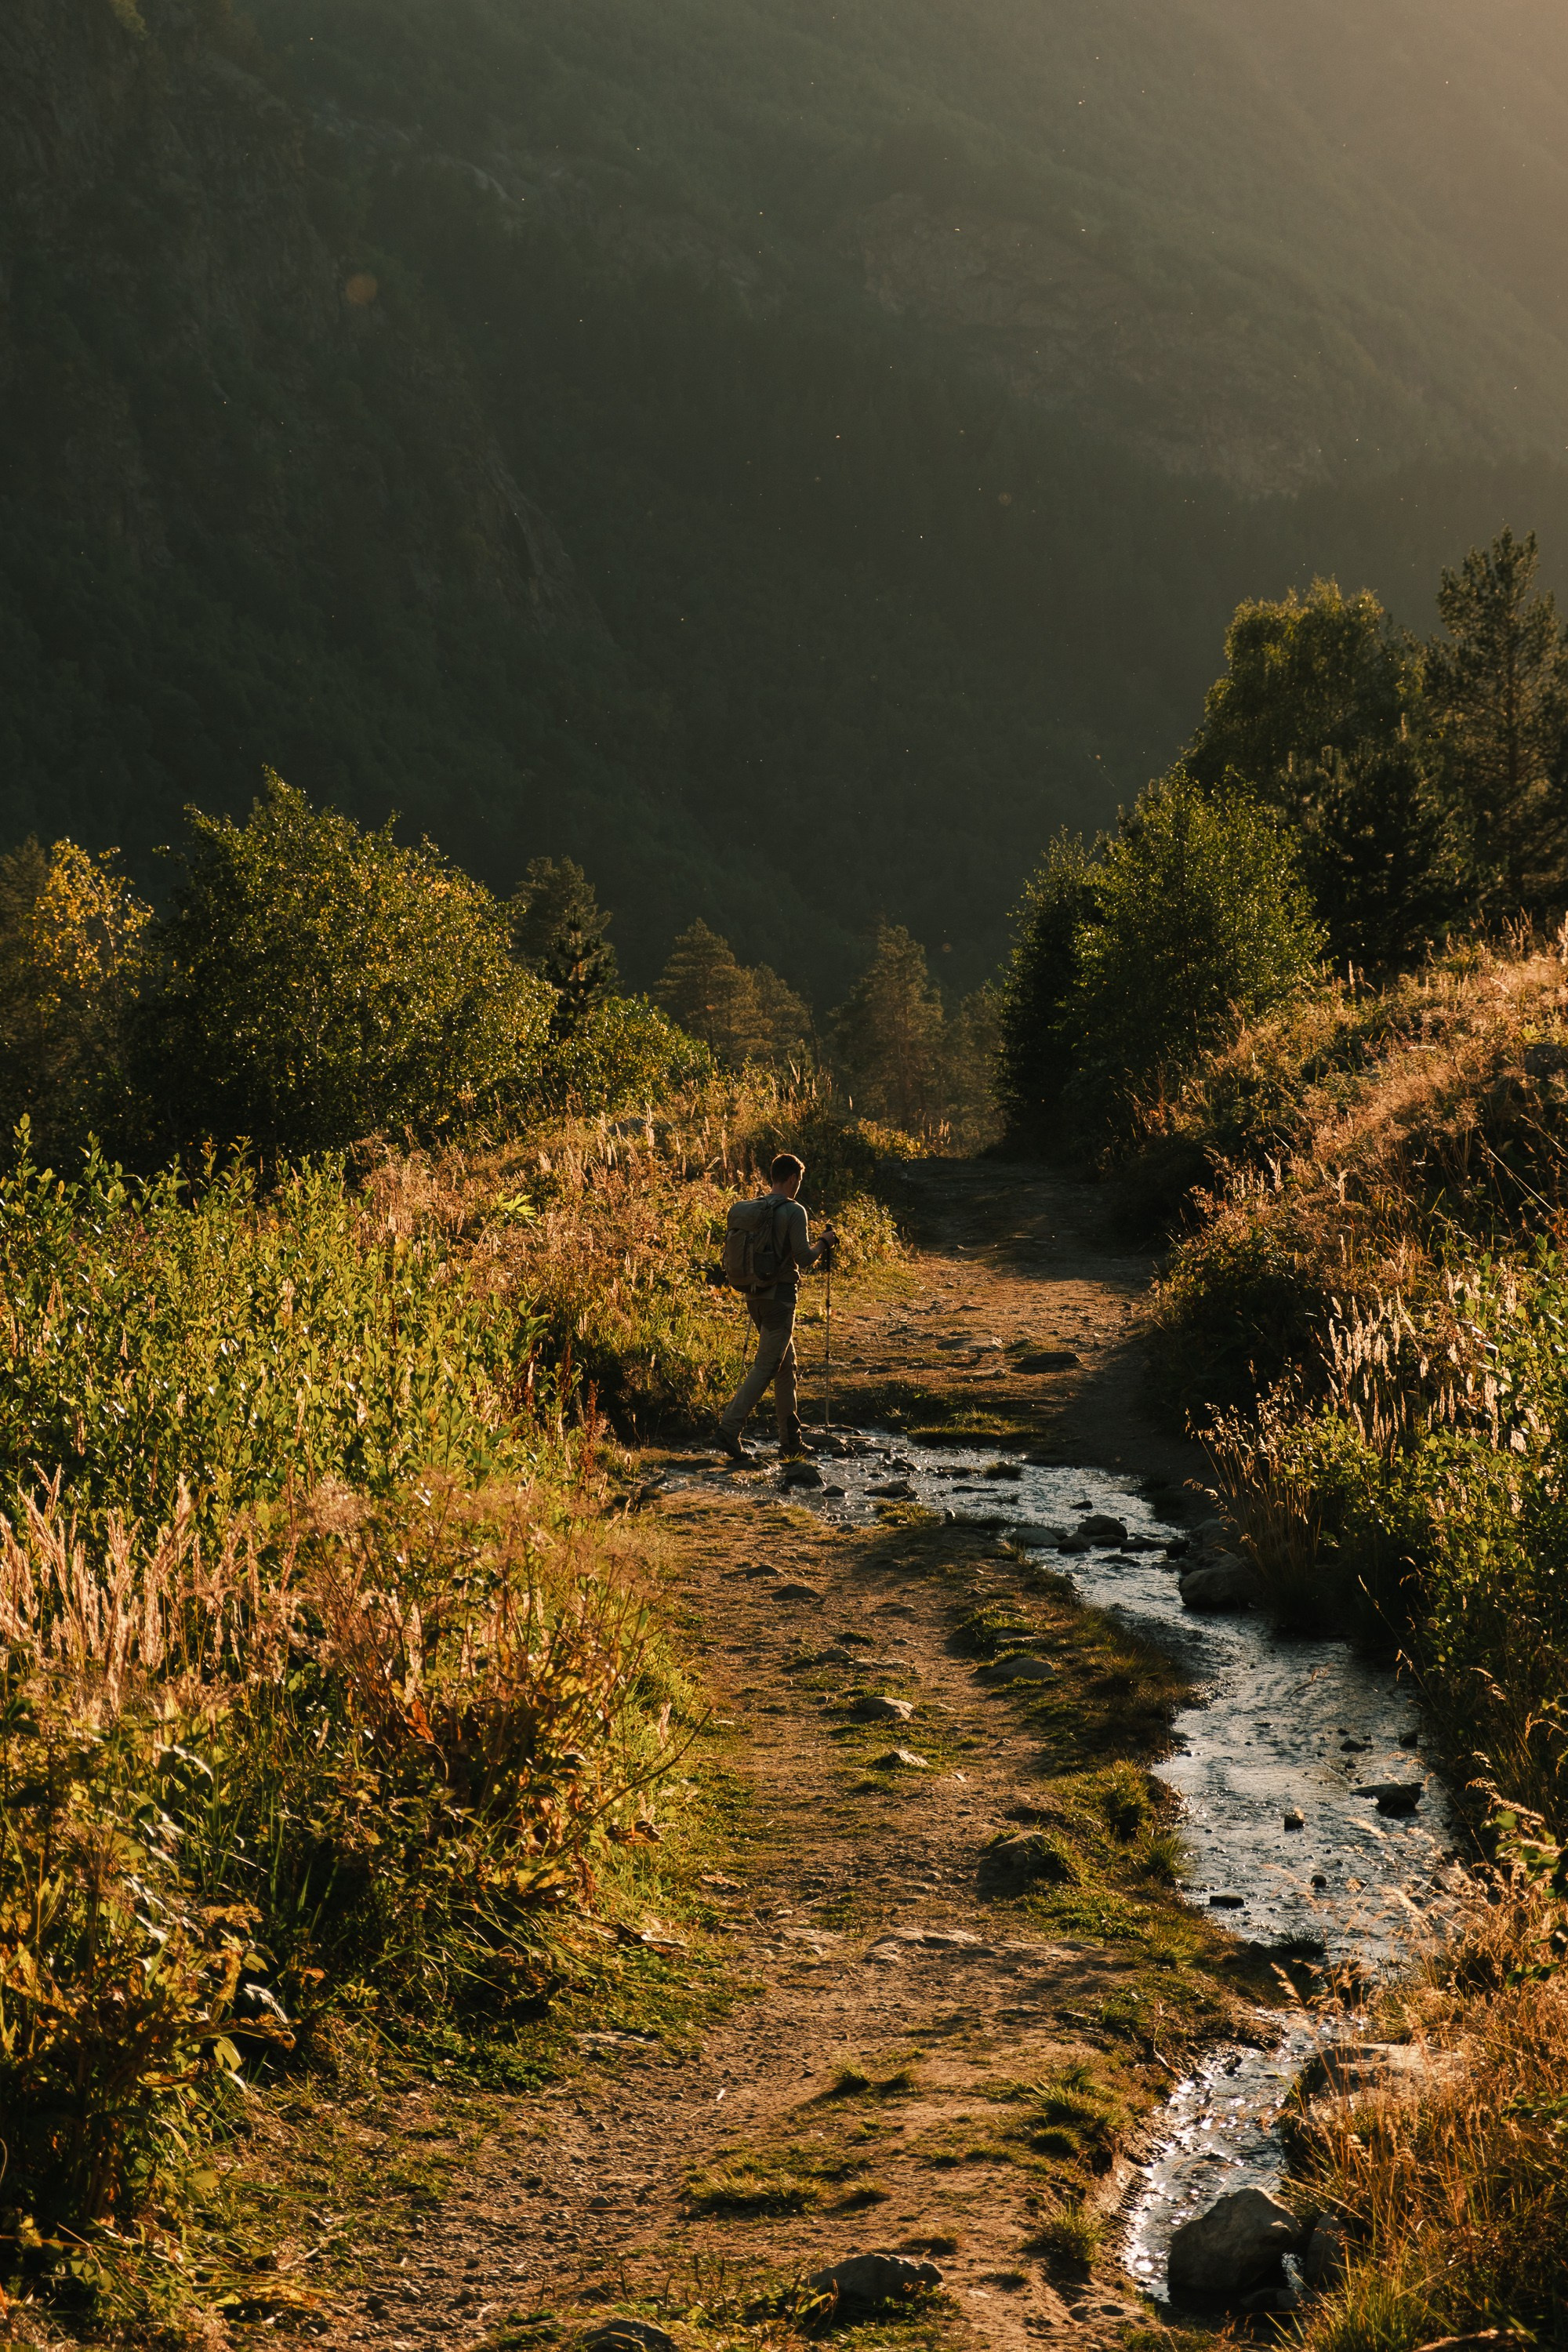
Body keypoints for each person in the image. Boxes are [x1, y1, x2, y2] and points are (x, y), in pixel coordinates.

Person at [718, 1152, 835, 1462]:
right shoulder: (794, 1211)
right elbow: (804, 1258)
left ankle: (790, 1441)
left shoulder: (756, 1208)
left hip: (755, 1297)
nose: (799, 1185)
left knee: (786, 1366)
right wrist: (824, 1243)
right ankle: (729, 1429)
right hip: (780, 1301)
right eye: (799, 1180)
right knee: (768, 1365)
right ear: (793, 1178)